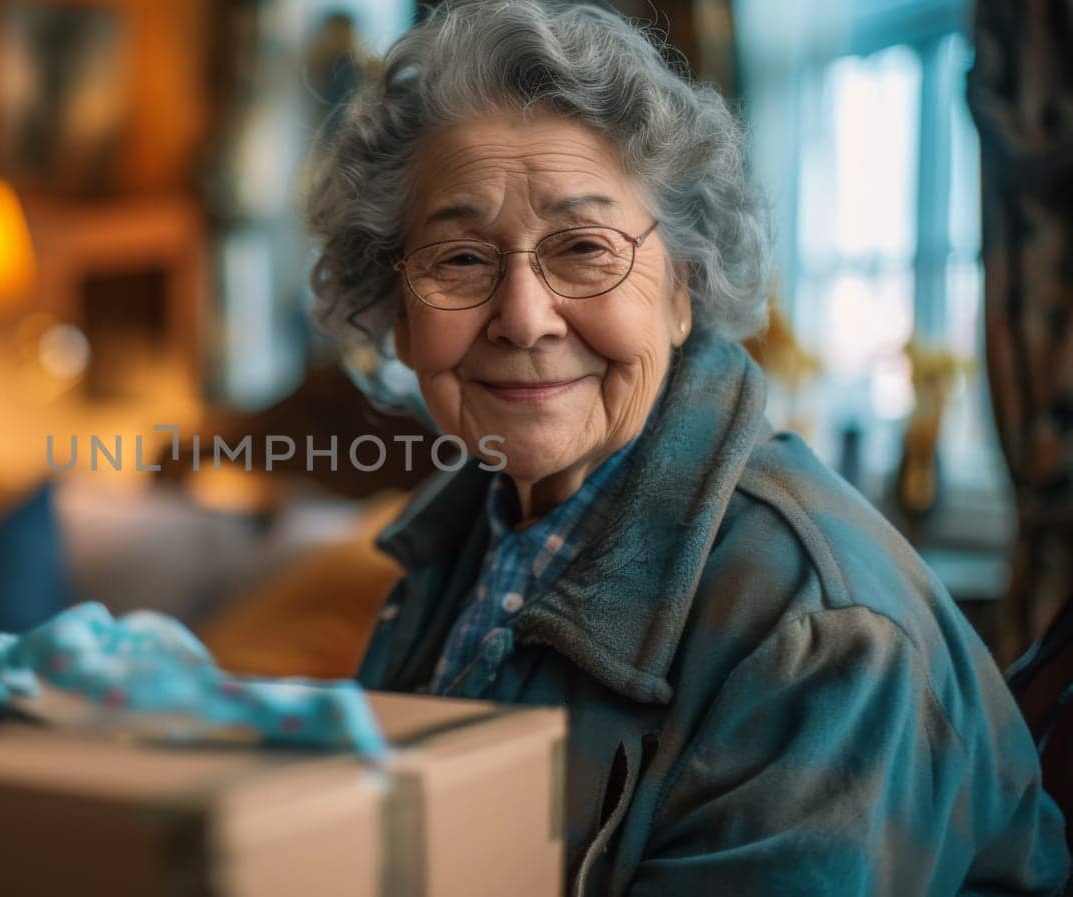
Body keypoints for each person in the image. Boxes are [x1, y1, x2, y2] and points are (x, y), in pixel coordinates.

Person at [304, 1, 1070, 893]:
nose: (521, 315)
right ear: (398, 317)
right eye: (460, 260)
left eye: (584, 247)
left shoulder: (821, 638)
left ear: (685, 289)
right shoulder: (466, 546)